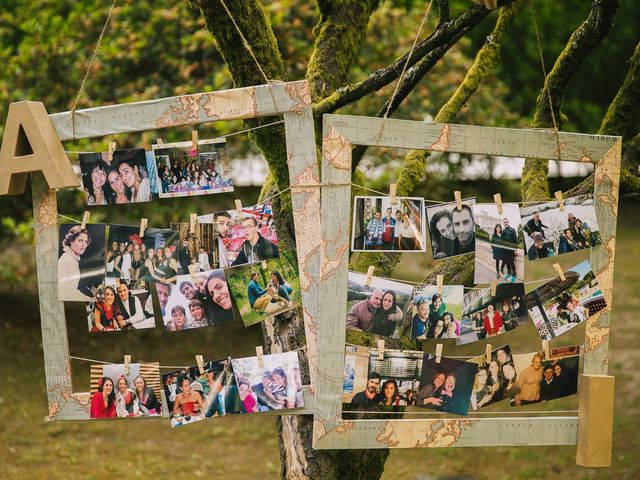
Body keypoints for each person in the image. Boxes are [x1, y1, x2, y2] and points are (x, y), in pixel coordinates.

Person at [58, 225, 93, 301]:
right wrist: (90, 300)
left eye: (85, 241)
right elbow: (67, 294)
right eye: (80, 240)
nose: (83, 245)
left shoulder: (72, 258)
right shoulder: (67, 260)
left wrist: (91, 299)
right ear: (71, 240)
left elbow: (72, 291)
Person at [501, 218, 518, 282]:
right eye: (504, 222)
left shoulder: (512, 230)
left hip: (511, 249)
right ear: (503, 223)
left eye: (506, 222)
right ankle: (508, 273)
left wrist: (515, 249)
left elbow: (515, 240)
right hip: (505, 250)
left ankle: (514, 275)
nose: (505, 223)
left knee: (511, 262)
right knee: (507, 262)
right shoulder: (503, 231)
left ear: (508, 222)